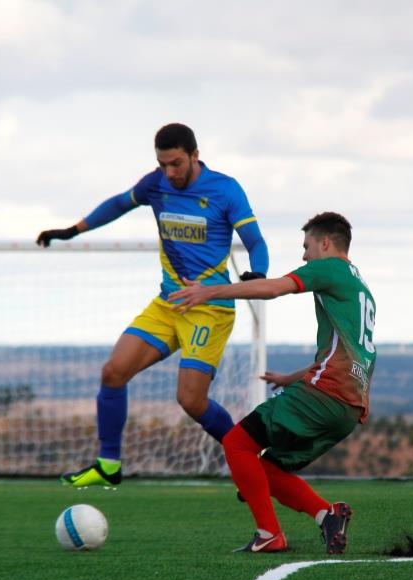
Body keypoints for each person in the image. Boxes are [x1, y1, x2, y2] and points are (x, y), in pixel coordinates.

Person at [36, 123, 269, 487]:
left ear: (194, 155)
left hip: (209, 308)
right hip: (168, 303)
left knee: (191, 401)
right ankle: (108, 465)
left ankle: (253, 463)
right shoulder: (156, 184)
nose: (169, 173)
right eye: (162, 164)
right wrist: (72, 230)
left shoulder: (225, 189)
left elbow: (255, 240)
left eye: (176, 163)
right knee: (113, 372)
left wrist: (258, 272)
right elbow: (118, 204)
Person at [169, 212, 374, 553]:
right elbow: (346, 356)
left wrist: (212, 291)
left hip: (323, 396)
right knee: (265, 468)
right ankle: (328, 515)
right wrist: (291, 378)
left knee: (236, 443)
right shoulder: (359, 286)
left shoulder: (329, 268)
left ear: (325, 243)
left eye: (306, 246)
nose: (304, 256)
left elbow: (276, 287)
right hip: (349, 408)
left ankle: (270, 535)